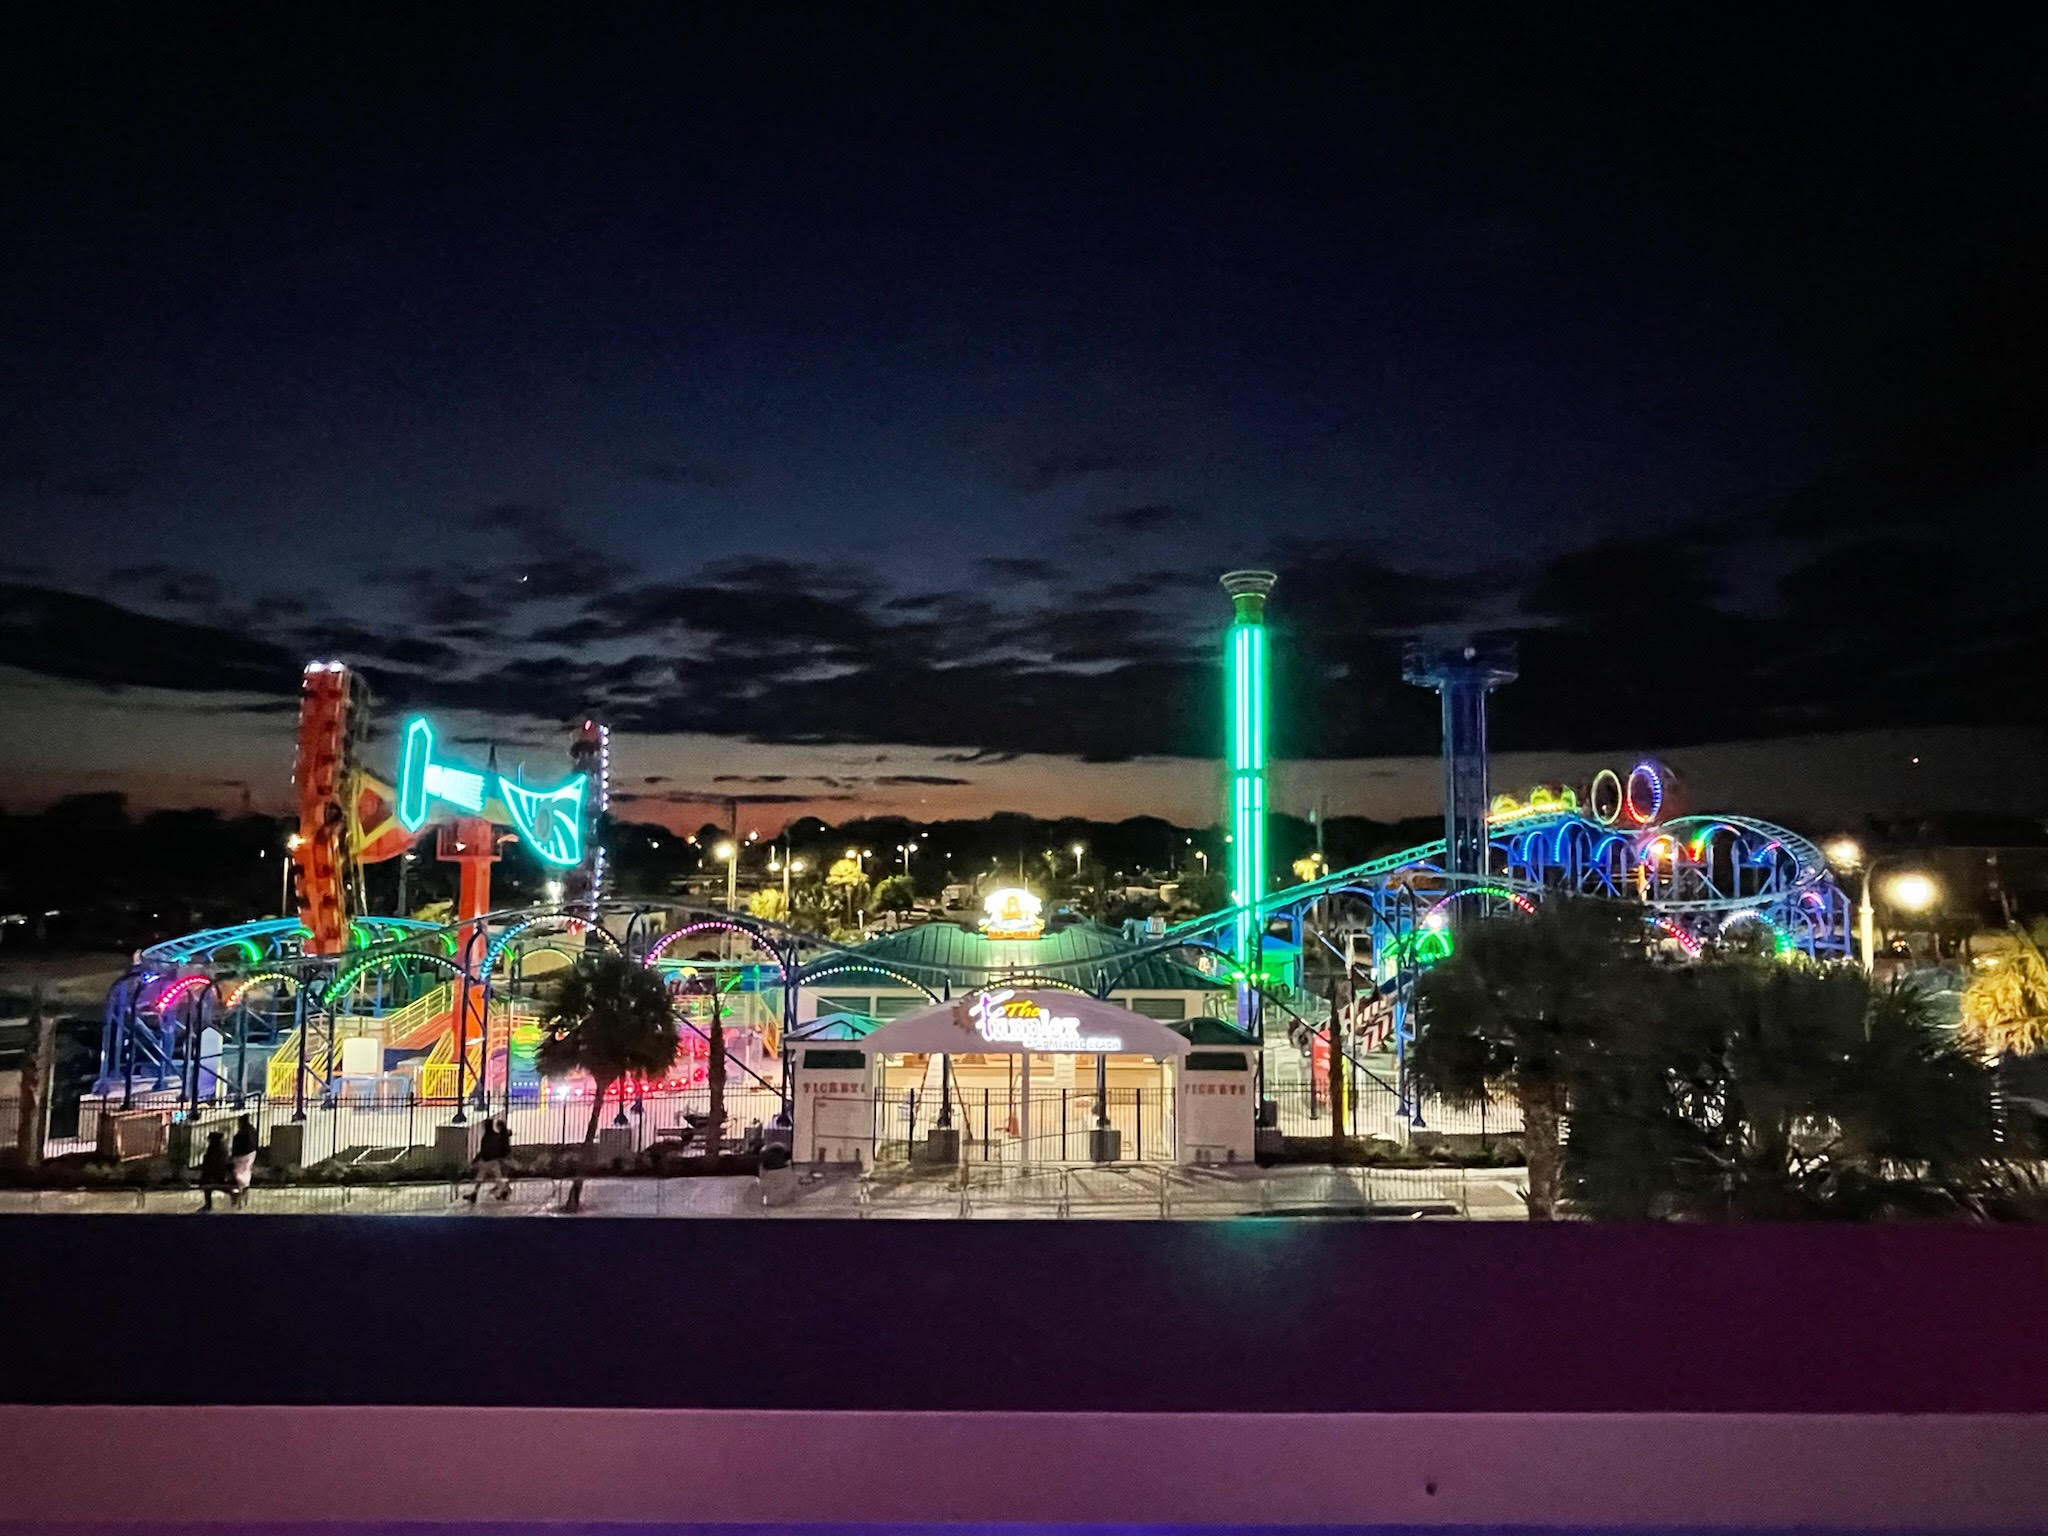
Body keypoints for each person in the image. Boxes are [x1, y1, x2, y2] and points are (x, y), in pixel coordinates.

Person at [465, 1115, 513, 1203]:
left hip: (486, 1161)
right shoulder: (496, 1136)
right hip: (494, 1161)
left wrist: (475, 1160)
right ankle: (503, 1192)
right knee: (498, 1178)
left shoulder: (486, 1137)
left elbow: (482, 1151)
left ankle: (475, 1194)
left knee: (480, 1179)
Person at [197, 1130, 231, 1212]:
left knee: (209, 1187)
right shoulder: (221, 1148)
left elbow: (211, 1162)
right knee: (215, 1186)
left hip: (213, 1173)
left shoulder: (214, 1148)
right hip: (218, 1173)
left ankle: (208, 1205)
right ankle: (233, 1193)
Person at [229, 1115, 258, 1207]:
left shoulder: (240, 1134)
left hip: (242, 1156)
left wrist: (233, 1157)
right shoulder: (252, 1130)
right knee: (246, 1173)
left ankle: (238, 1195)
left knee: (238, 1175)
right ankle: (244, 1192)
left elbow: (236, 1147)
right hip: (251, 1154)